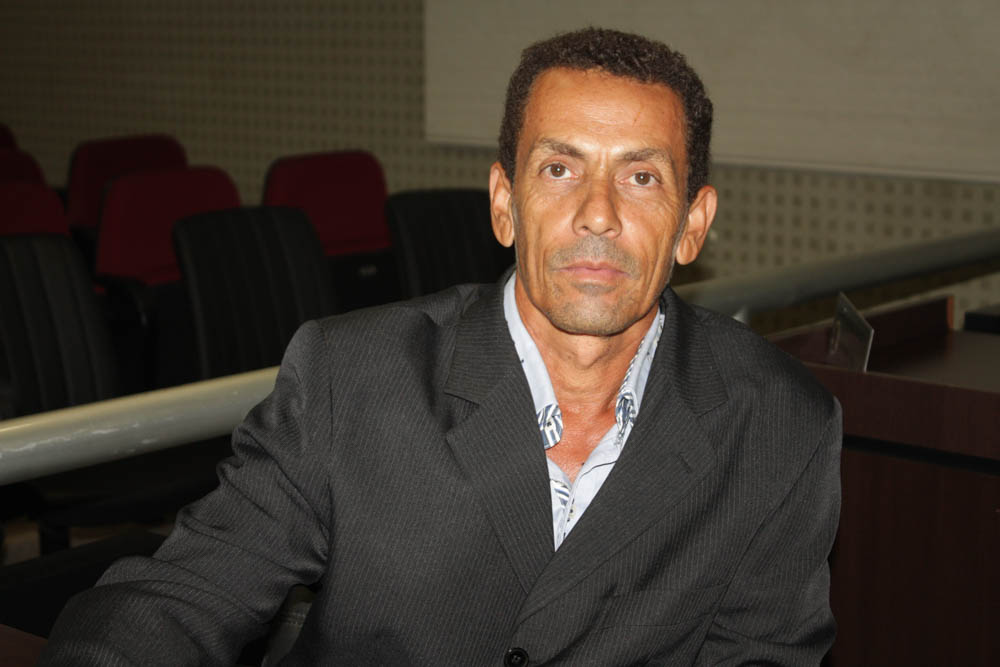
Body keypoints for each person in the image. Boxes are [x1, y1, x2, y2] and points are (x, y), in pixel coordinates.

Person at [42, 27, 841, 665]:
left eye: (641, 177)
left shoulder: (781, 424)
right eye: (559, 168)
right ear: (504, 204)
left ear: (693, 224)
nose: (598, 213)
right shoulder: (350, 377)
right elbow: (185, 595)